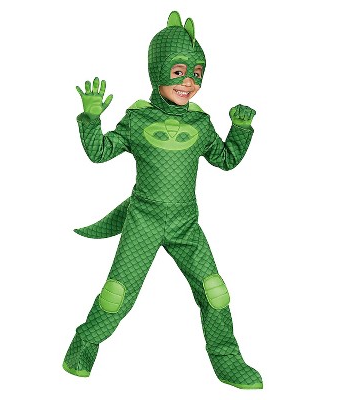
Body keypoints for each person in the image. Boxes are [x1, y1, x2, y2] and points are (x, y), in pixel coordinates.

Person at [62, 11, 263, 389]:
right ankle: (83, 345)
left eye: (197, 73)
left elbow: (225, 160)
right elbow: (100, 152)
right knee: (117, 295)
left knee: (215, 293)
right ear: (157, 71)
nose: (189, 82)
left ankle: (227, 361)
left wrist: (240, 129)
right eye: (179, 71)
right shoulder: (137, 120)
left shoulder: (201, 124)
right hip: (143, 221)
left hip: (186, 224)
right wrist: (90, 120)